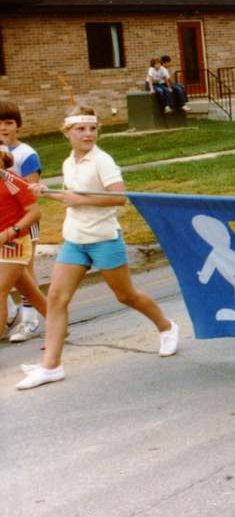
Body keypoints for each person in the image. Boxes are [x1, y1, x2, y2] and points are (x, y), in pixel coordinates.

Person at [18, 107, 179, 390]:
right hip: (74, 239)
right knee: (56, 298)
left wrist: (79, 200)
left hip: (104, 238)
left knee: (125, 295)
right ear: (67, 132)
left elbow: (119, 198)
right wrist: (47, 193)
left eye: (92, 128)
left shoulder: (103, 161)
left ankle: (167, 327)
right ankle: (51, 366)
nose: (88, 134)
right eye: (80, 129)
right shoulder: (70, 161)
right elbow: (73, 197)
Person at [0, 101, 48, 342]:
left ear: (17, 126)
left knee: (25, 272)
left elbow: (31, 190)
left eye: (8, 123)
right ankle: (10, 313)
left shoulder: (25, 153)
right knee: (12, 277)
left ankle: (29, 319)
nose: (3, 128)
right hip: (2, 225)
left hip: (23, 222)